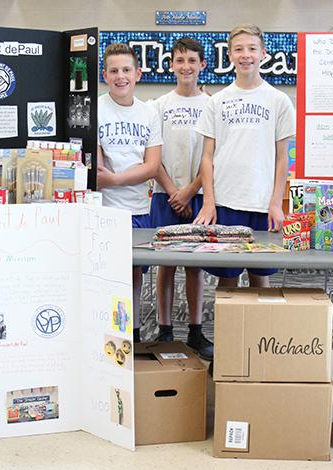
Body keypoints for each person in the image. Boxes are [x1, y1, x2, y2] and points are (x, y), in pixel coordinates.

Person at [194, 23, 296, 287]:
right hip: (226, 203)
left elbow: (282, 158)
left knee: (260, 279)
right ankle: (229, 330)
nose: (245, 54)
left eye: (252, 48)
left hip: (262, 204)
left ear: (263, 53)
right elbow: (207, 157)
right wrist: (209, 201)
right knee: (227, 279)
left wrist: (276, 202)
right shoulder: (216, 101)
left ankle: (257, 330)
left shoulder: (279, 100)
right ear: (229, 55)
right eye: (238, 49)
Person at [150, 37, 212, 360]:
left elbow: (212, 158)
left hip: (200, 197)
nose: (185, 66)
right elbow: (153, 156)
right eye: (179, 60)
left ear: (203, 64)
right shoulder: (159, 106)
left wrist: (190, 190)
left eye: (192, 60)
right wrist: (174, 191)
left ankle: (195, 330)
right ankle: (164, 329)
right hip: (165, 195)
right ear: (171, 64)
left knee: (195, 267)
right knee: (166, 264)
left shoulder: (212, 105)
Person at [96, 42, 162, 343]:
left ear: (137, 73)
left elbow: (151, 167)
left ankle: (133, 333)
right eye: (113, 71)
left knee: (135, 274)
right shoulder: (95, 109)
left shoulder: (148, 114)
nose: (120, 76)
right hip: (103, 210)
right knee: (106, 276)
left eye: (126, 70)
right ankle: (109, 334)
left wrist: (116, 179)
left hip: (138, 210)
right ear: (104, 75)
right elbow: (95, 175)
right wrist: (110, 181)